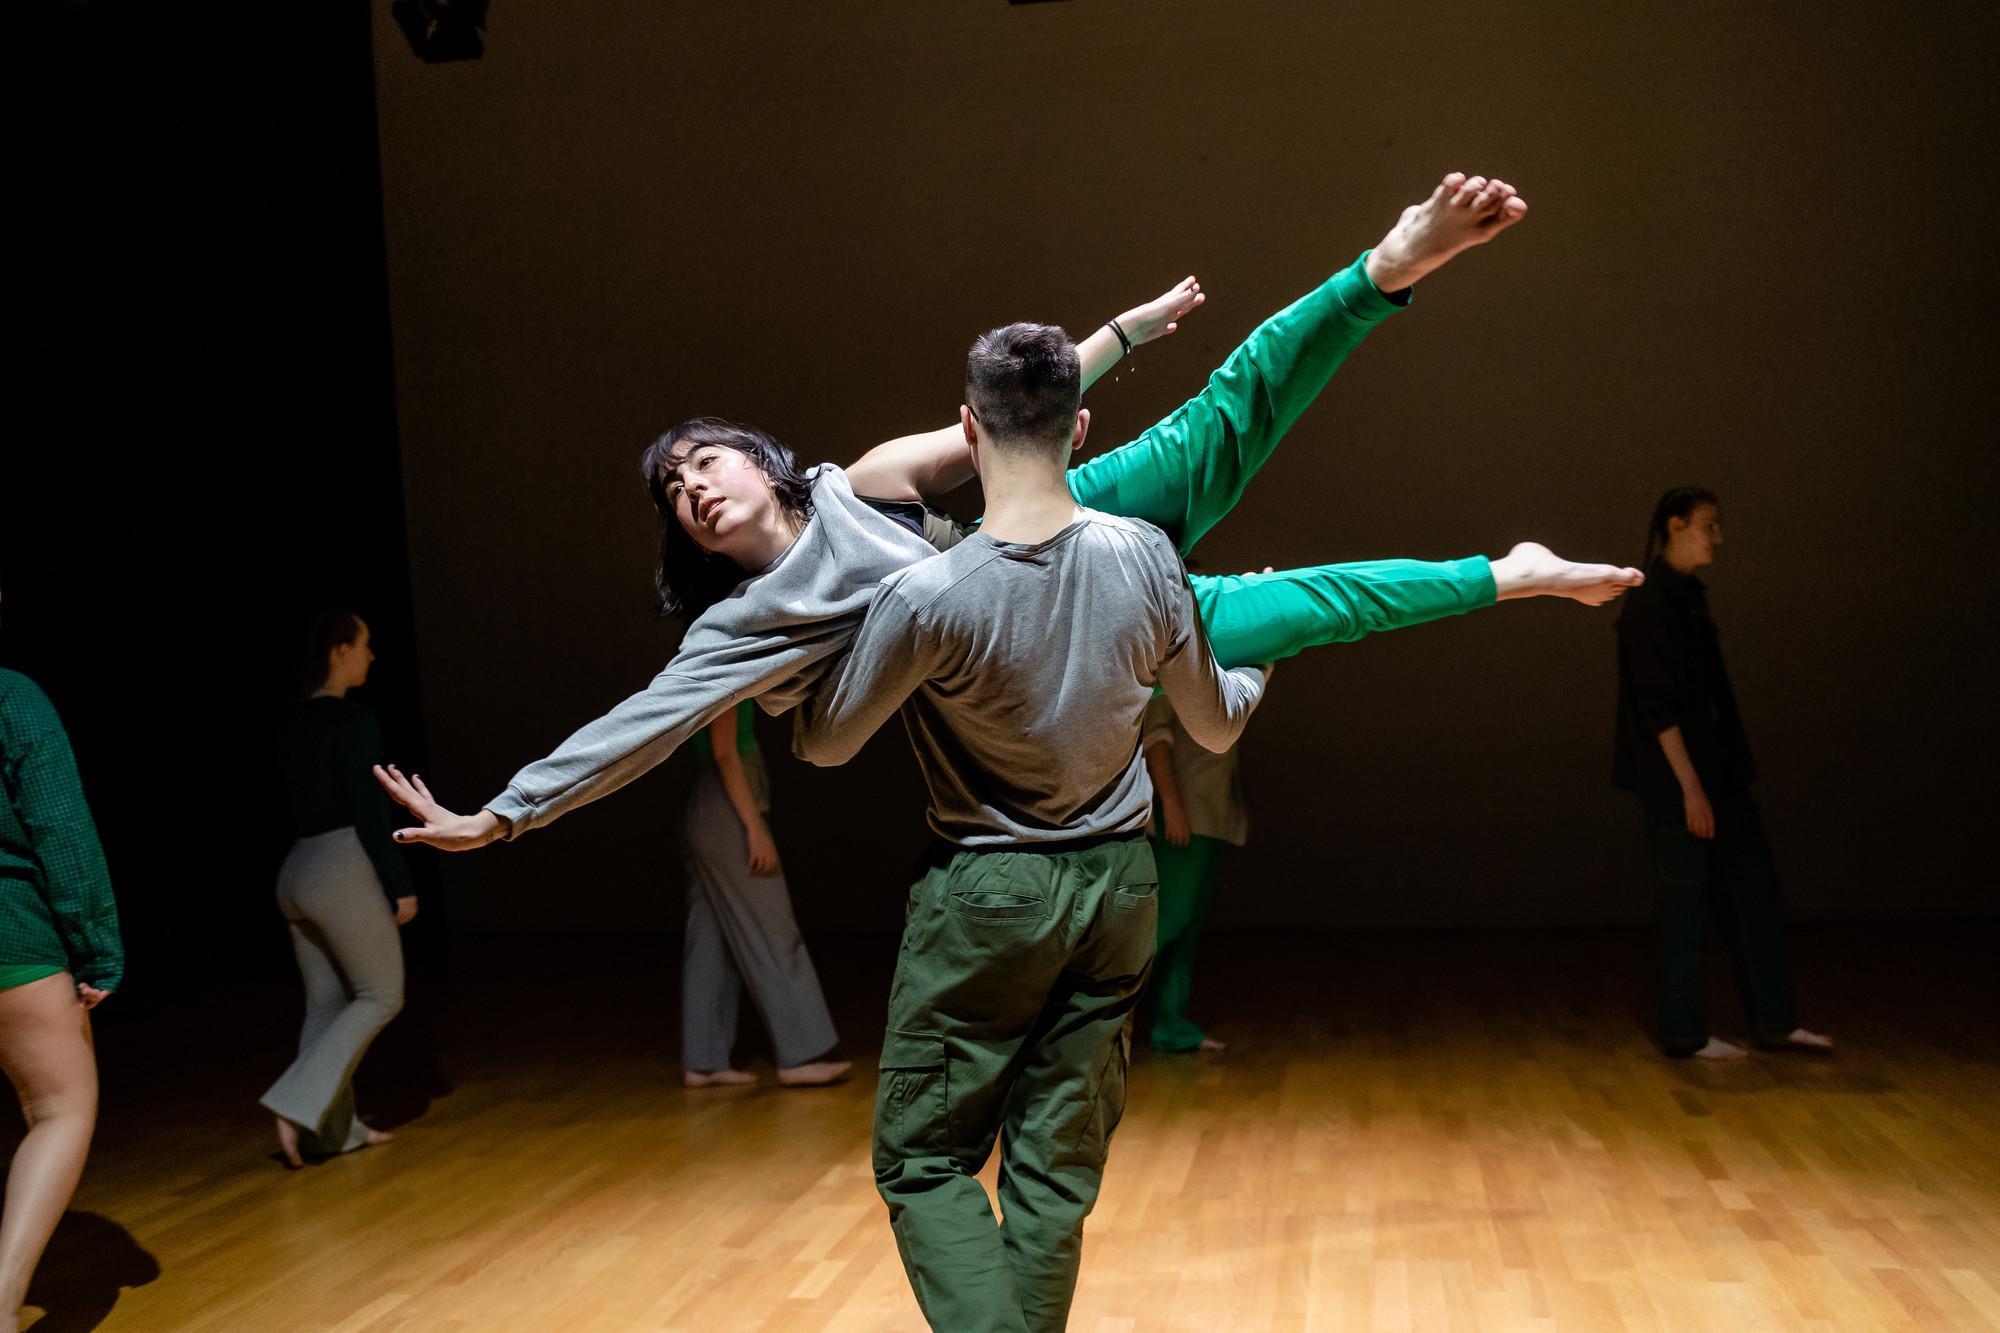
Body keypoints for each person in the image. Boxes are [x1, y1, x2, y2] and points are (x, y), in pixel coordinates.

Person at [377, 174, 1641, 855]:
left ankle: (1385, 269)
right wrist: (505, 811)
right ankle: (1507, 574)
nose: (694, 486)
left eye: (706, 461)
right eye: (676, 491)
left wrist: (1127, 333)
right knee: (1301, 608)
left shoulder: (859, 480)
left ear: (760, 465)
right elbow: (639, 725)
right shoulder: (746, 627)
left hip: (1051, 507)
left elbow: (1012, 411)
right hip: (1028, 616)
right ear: (692, 535)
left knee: (1225, 417)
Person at [791, 319, 1269, 1331]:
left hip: (989, 895)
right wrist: (1263, 659)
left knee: (923, 1160)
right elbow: (1213, 724)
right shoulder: (1144, 555)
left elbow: (826, 745)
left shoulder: (928, 589)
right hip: (1119, 892)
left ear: (968, 429)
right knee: (1054, 1170)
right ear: (1080, 426)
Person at [1614, 487, 1830, 1059]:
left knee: (1755, 896)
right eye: (1708, 525)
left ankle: (1776, 1021)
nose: (1717, 537)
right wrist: (1690, 790)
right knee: (1685, 907)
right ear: (1676, 525)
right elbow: (1655, 709)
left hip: (1721, 776)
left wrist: (1715, 783)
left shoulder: (1687, 598)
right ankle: (1686, 1033)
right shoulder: (1650, 604)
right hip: (1681, 785)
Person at [260, 610, 417, 1166]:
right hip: (340, 863)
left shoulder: (288, 721)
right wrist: (398, 883)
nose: (371, 656)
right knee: (381, 994)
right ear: (339, 650)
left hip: (296, 869)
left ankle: (333, 1132)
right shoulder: (353, 722)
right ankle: (294, 1100)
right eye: (365, 645)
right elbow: (370, 810)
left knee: (327, 1005)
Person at [0, 644, 122, 1333]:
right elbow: (61, 828)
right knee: (60, 1107)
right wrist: (98, 950)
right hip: (11, 936)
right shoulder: (11, 695)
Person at [680, 701, 849, 1087]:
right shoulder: (726, 675)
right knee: (774, 928)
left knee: (709, 939)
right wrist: (755, 827)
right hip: (727, 804)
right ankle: (803, 1055)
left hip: (705, 806)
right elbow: (725, 752)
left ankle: (703, 1061)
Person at [1139, 674, 1246, 1054]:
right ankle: (1087, 1026)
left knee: (1185, 927)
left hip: (1210, 816)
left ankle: (1170, 1025)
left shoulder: (1215, 662)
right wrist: (1172, 804)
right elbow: (1155, 736)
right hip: (1184, 818)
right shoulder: (1172, 665)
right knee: (1167, 921)